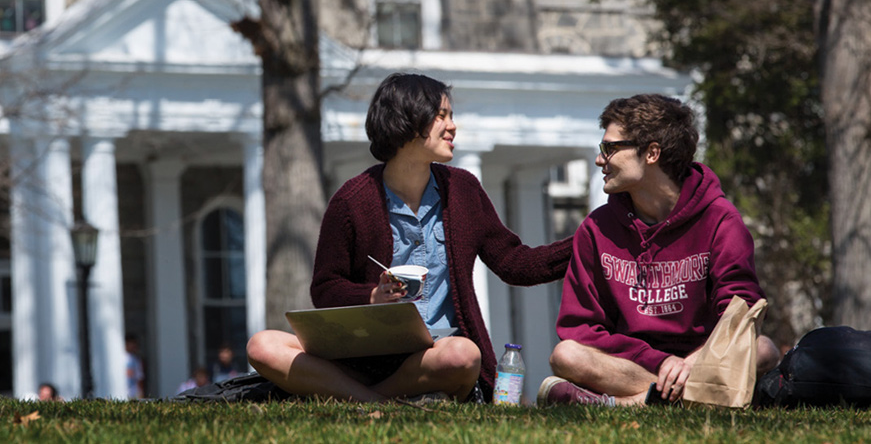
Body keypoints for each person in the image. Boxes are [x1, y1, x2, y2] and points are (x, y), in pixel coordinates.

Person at [246, 72, 572, 403]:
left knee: (463, 355)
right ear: (407, 122)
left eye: (451, 116)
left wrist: (588, 240)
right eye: (441, 116)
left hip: (436, 353)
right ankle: (381, 401)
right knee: (262, 345)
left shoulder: (464, 190)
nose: (452, 126)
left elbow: (515, 263)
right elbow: (325, 288)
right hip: (365, 355)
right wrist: (372, 296)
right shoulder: (352, 201)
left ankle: (353, 397)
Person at [536, 93, 781, 407]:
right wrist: (659, 362)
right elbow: (579, 327)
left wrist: (692, 362)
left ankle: (630, 402)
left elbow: (739, 308)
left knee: (764, 350)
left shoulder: (721, 220)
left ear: (651, 153)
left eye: (610, 148)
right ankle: (691, 397)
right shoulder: (596, 229)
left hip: (701, 358)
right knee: (566, 355)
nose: (600, 159)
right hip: (632, 363)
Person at [125, 333, 145, 399]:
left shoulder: (136, 359)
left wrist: (140, 393)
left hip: (133, 393)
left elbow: (139, 378)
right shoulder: (120, 358)